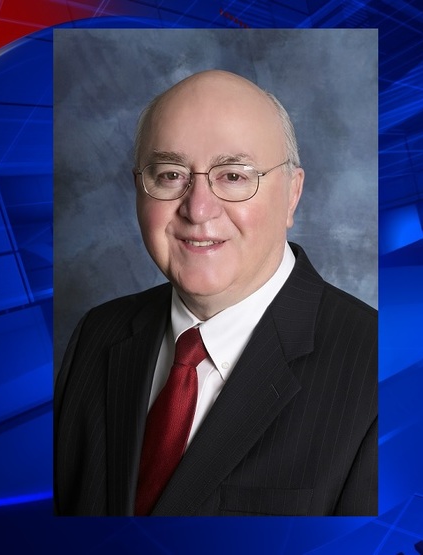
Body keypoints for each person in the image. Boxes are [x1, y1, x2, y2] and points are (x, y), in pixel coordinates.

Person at [54, 70, 377, 516]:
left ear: (292, 194)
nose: (198, 209)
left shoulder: (376, 367)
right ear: (139, 190)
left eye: (233, 176)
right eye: (170, 175)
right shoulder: (97, 334)